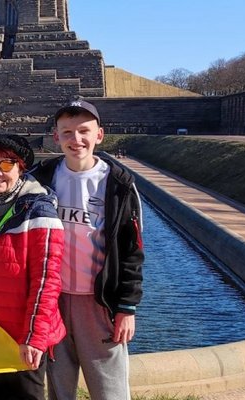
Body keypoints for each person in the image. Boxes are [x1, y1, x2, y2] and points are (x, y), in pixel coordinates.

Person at [33, 100, 144, 400]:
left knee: (110, 391)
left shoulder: (119, 184)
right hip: (52, 302)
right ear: (55, 137)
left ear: (99, 135)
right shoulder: (39, 179)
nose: (76, 139)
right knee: (58, 388)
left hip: (99, 304)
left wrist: (126, 307)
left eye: (84, 131)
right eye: (67, 132)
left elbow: (132, 251)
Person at [0, 133, 65, 400]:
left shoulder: (38, 210)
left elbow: (47, 280)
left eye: (6, 164)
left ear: (21, 167)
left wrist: (34, 337)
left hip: (22, 334)